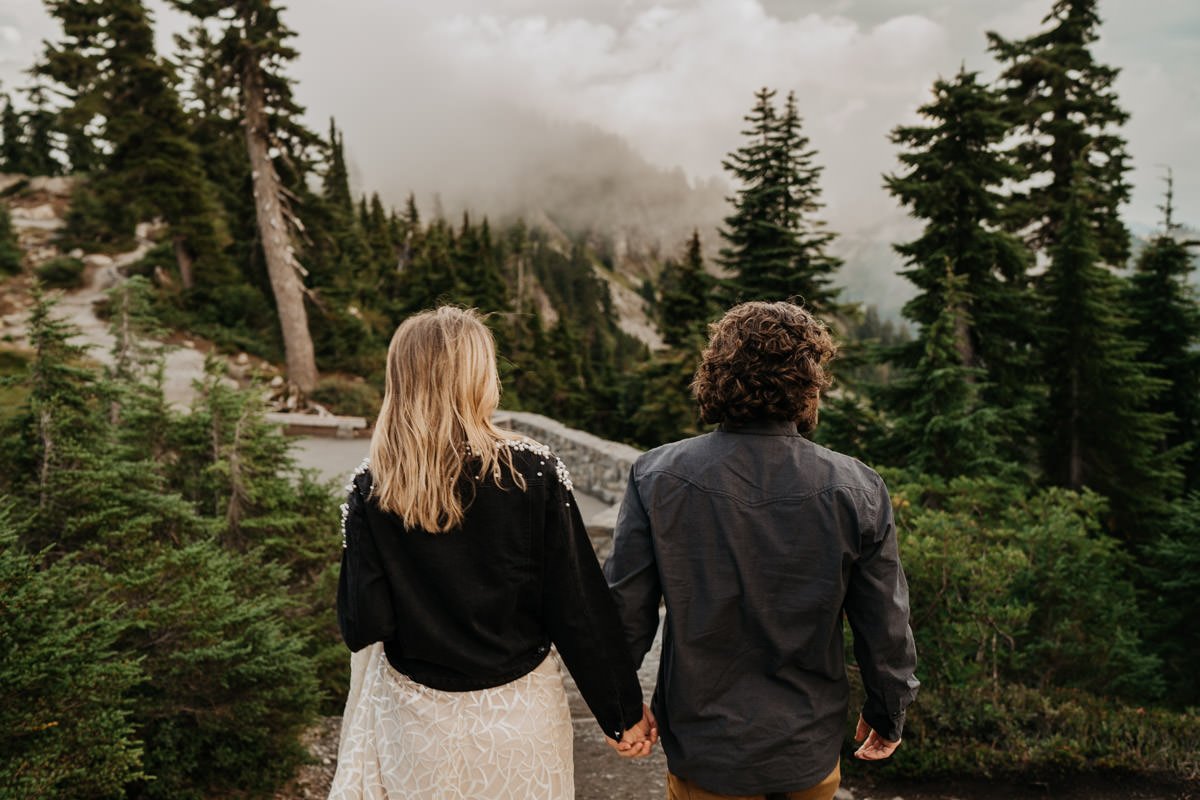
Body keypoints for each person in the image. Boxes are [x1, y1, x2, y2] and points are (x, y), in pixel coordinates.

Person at [329, 306, 655, 800]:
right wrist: (623, 715)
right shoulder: (533, 473)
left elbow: (363, 623)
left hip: (417, 727)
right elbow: (580, 612)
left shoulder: (373, 485)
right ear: (479, 377)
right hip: (519, 721)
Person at [604, 301, 919, 800]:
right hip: (807, 748)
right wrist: (888, 711)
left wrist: (620, 710)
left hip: (705, 750)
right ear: (808, 383)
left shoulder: (657, 477)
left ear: (716, 375)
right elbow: (884, 623)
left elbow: (624, 612)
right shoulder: (858, 488)